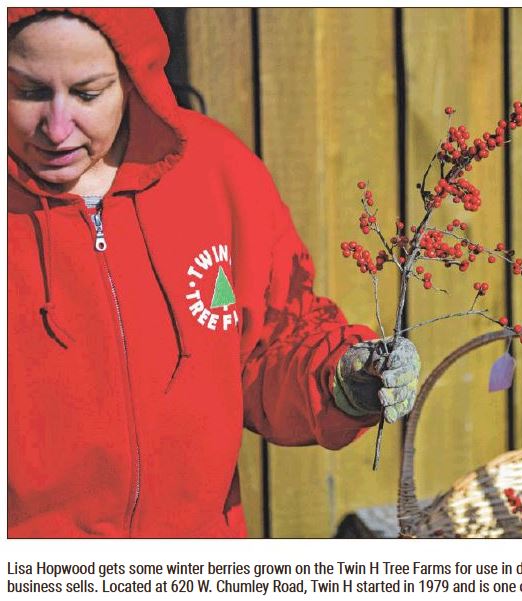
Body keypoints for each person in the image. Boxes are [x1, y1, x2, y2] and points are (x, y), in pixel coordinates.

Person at [7, 7, 420, 538]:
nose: (58, 128)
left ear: (133, 78)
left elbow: (270, 345)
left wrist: (341, 377)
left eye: (89, 93)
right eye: (30, 92)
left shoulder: (213, 170)